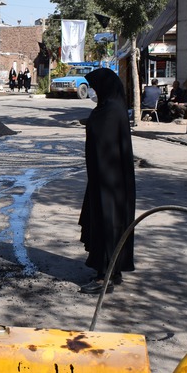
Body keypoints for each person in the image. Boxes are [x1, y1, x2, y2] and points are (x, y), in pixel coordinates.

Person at [78, 68, 135, 294]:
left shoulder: (109, 111)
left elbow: (102, 137)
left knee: (106, 225)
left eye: (94, 87)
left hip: (108, 182)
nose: (93, 91)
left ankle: (104, 279)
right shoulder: (113, 107)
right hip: (112, 181)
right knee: (113, 225)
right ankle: (113, 270)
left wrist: (91, 122)